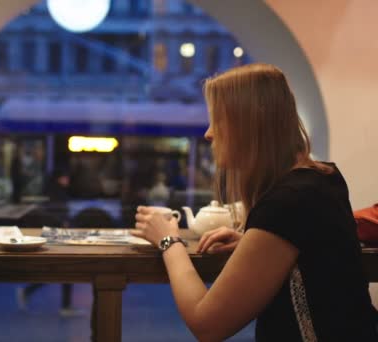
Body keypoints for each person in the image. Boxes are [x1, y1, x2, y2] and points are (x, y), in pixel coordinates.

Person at [133, 63, 377, 341]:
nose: (209, 133)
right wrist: (254, 242)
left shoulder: (288, 201)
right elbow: (313, 256)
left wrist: (168, 241)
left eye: (218, 120)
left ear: (249, 123)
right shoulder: (323, 178)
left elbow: (207, 325)